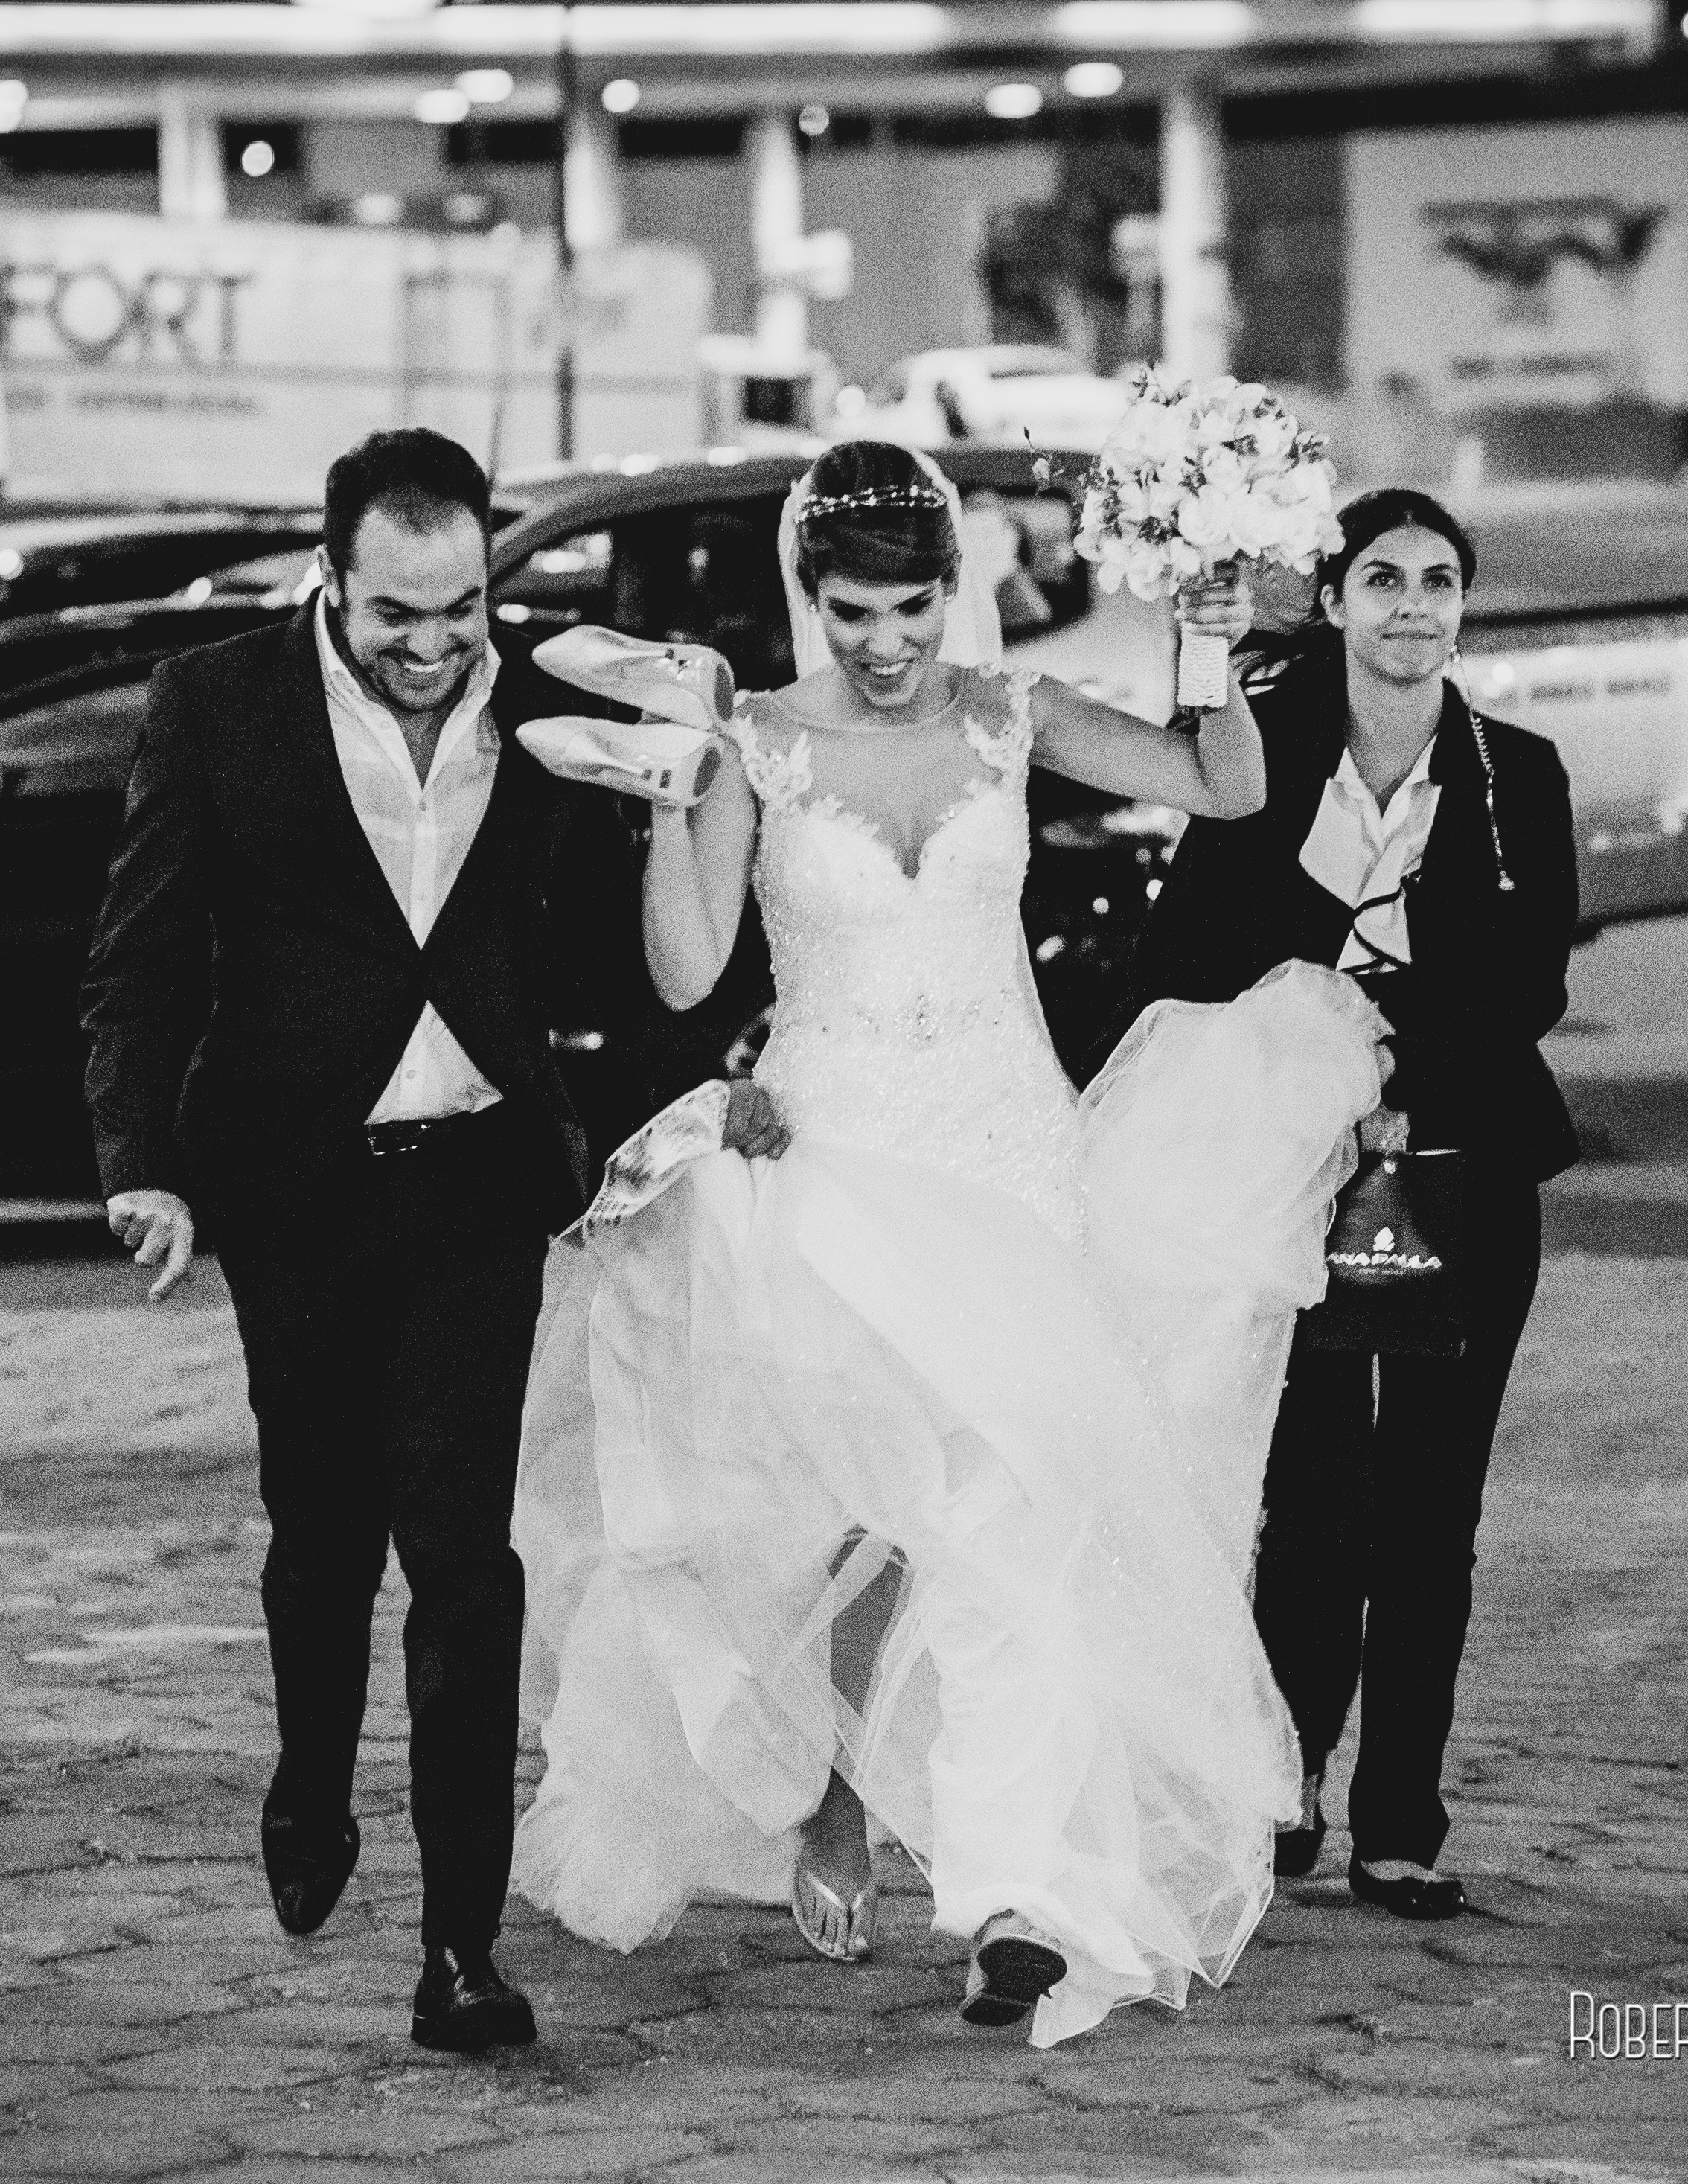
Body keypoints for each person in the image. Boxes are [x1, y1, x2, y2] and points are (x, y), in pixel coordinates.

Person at [510, 441, 1388, 2046]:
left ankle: (1009, 1900)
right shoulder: (758, 741)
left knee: (1010, 1530)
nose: (888, 642)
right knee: (829, 1520)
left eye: (912, 607)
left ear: (950, 588)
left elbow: (1229, 786)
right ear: (809, 595)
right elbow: (690, 969)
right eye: (854, 612)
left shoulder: (1011, 714)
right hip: (832, 1160)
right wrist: (672, 788)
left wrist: (1205, 633)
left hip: (1008, 1163)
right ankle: (829, 1789)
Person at [78, 428, 618, 2056]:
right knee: (322, 1540)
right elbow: (141, 961)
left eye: (462, 607)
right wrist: (142, 1165)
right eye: (399, 613)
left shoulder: (547, 707)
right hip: (296, 1190)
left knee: (464, 1558)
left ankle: (462, 1950)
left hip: (474, 1189)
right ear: (331, 579)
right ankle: (313, 1781)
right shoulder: (215, 704)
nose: (436, 644)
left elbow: (592, 940)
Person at [1124, 488, 1579, 1923]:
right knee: (1311, 1502)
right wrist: (1321, 976)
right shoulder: (1265, 764)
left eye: (1439, 581)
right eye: (1380, 578)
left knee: (1435, 1509)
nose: (1412, 606)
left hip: (1464, 1174)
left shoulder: (1520, 771)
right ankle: (1287, 1779)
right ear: (1331, 601)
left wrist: (1399, 1059)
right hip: (1291, 1181)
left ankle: (1403, 1820)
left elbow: (1532, 984)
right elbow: (1185, 947)